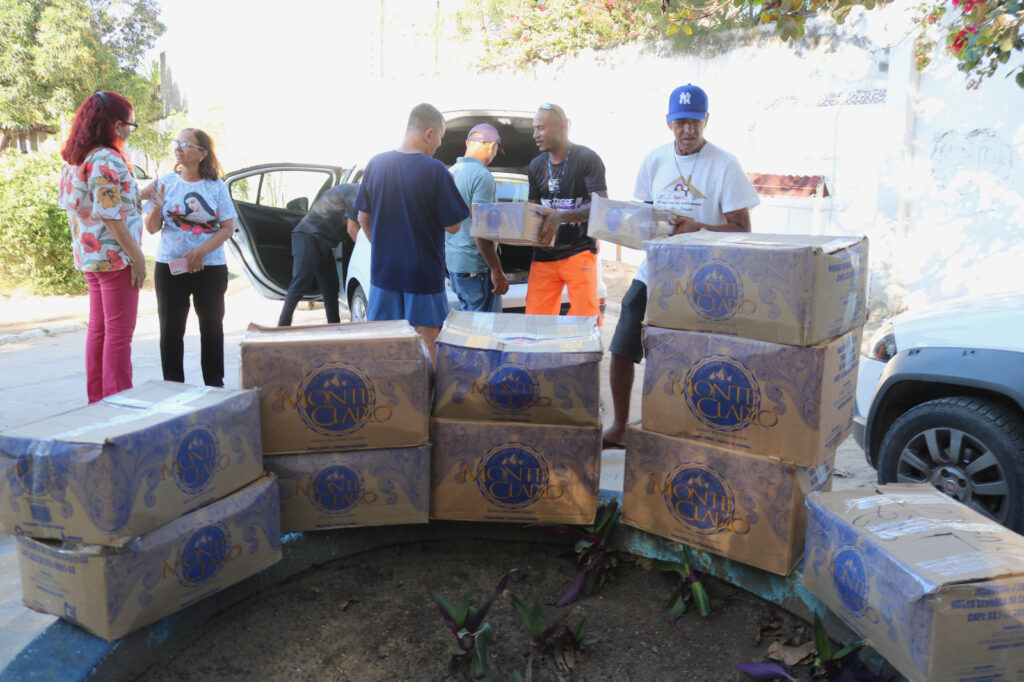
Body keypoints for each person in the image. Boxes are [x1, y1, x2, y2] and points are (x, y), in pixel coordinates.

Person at [602, 84, 760, 449]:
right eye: (680, 122)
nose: (688, 130)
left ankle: (689, 433)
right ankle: (620, 426)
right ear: (669, 123)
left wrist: (697, 228)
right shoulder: (654, 160)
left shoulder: (725, 165)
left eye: (694, 122)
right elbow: (644, 214)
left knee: (689, 357)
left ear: (706, 120)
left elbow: (742, 229)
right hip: (655, 270)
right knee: (623, 344)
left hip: (705, 278)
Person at [354, 103, 469, 363]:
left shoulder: (376, 164)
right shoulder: (436, 171)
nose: (438, 145)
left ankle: (388, 388)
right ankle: (430, 390)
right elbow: (454, 225)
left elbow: (362, 218)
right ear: (429, 134)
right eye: (439, 139)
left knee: (385, 340)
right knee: (428, 339)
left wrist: (384, 249)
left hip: (384, 275)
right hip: (423, 275)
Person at [57, 91, 146, 403]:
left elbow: (95, 204)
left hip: (91, 257)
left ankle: (98, 401)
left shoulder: (77, 159)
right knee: (119, 334)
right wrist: (137, 257)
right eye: (130, 125)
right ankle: (118, 404)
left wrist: (142, 193)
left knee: (100, 330)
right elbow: (110, 215)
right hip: (115, 258)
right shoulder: (106, 159)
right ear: (115, 125)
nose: (130, 131)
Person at [145, 129, 237, 387]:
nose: (179, 147)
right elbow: (151, 228)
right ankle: (173, 386)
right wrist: (157, 207)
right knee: (170, 328)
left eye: (186, 144)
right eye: (178, 142)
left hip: (210, 266)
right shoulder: (165, 183)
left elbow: (227, 228)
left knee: (211, 326)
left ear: (202, 154)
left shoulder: (216, 186)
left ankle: (214, 385)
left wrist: (200, 252)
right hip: (170, 266)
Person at [526, 103, 608, 322]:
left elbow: (601, 207)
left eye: (541, 128)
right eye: (534, 129)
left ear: (562, 127)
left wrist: (560, 216)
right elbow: (532, 209)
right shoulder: (535, 165)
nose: (535, 135)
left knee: (585, 322)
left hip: (578, 252)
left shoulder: (587, 159)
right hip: (543, 255)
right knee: (535, 324)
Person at [278, 183, 360, 326]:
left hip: (323, 243)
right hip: (307, 236)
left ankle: (334, 327)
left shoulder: (357, 191)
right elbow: (352, 229)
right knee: (300, 283)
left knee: (330, 286)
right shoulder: (357, 192)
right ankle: (281, 328)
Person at [447, 123, 509, 312]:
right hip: (477, 270)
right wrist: (497, 271)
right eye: (496, 150)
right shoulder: (482, 176)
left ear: (467, 143)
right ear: (492, 146)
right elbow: (481, 230)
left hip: (455, 267)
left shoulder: (450, 173)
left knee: (469, 325)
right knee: (484, 328)